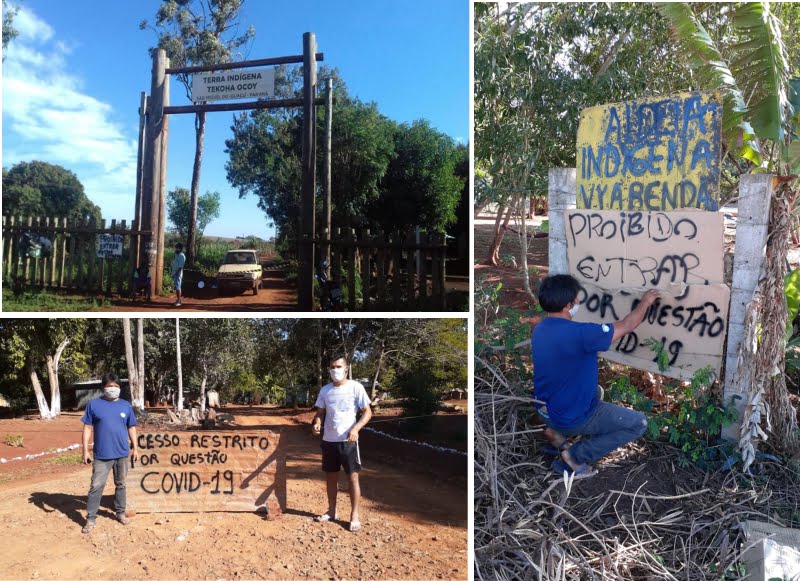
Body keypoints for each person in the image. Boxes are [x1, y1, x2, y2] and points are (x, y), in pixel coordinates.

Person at [532, 274, 659, 478]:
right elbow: (627, 325)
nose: (579, 301)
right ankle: (574, 456)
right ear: (567, 305)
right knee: (638, 423)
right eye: (576, 298)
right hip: (570, 416)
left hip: (545, 410)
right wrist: (646, 301)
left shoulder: (540, 328)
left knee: (596, 392)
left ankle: (556, 436)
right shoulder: (581, 333)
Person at [311, 355, 372, 533]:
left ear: (346, 368)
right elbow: (320, 412)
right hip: (328, 441)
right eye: (331, 367)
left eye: (338, 366)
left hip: (348, 442)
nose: (334, 370)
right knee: (331, 477)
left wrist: (356, 429)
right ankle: (331, 511)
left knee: (352, 478)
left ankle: (354, 516)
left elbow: (367, 412)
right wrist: (317, 422)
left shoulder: (356, 388)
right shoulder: (325, 390)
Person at [80, 373, 139, 534]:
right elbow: (87, 428)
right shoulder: (93, 405)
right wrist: (85, 450)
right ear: (103, 387)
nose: (112, 389)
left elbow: (131, 427)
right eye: (109, 386)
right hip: (102, 455)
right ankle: (91, 518)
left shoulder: (126, 406)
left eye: (116, 386)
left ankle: (120, 513)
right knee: (96, 486)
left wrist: (136, 447)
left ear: (120, 388)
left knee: (121, 484)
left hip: (122, 453)